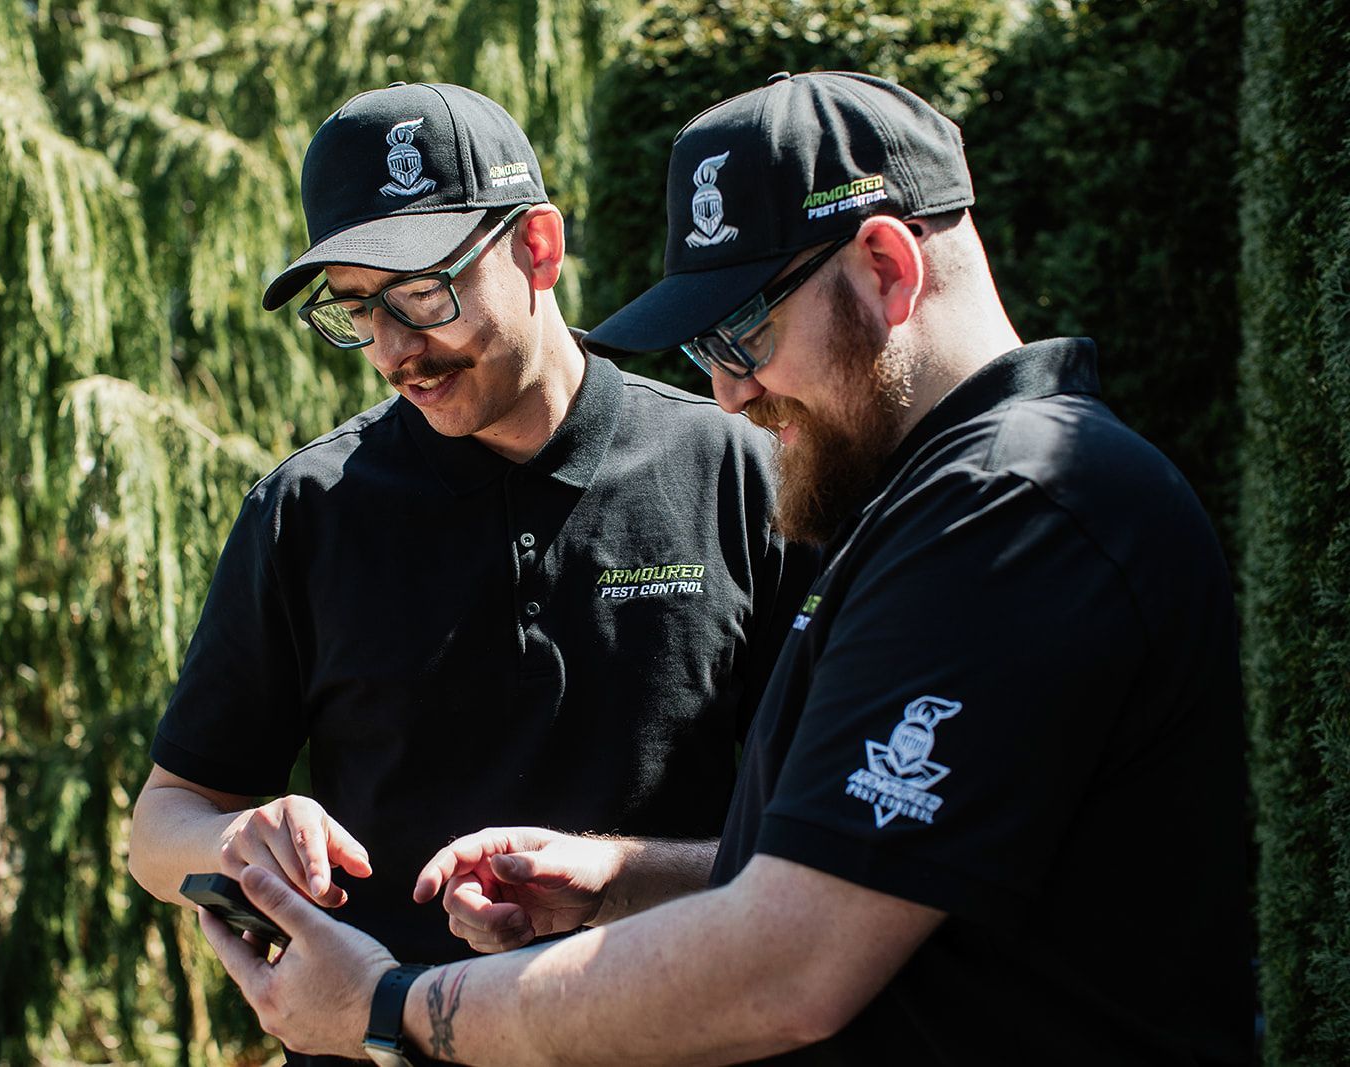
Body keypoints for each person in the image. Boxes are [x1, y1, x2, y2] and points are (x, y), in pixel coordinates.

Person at [194, 71, 1253, 1066]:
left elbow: (791, 959)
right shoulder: (927, 507)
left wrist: (394, 1009)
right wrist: (616, 879)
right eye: (706, 350)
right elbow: (858, 870)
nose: (731, 395)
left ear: (886, 269)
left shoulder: (1010, 514)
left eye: (742, 335)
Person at [126, 81, 812, 1064]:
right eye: (358, 308)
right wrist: (236, 838)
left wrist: (622, 874)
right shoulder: (307, 510)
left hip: (681, 1036)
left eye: (422, 293)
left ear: (539, 246)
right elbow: (162, 824)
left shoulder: (739, 470)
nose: (396, 350)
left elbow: (830, 833)